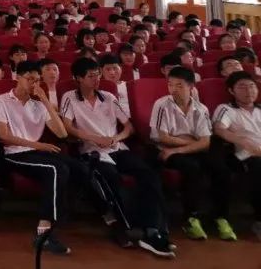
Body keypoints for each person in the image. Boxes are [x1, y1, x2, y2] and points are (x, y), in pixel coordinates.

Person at [59, 58, 173, 257]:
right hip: (92, 152)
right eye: (91, 76)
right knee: (111, 178)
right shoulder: (70, 97)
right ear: (78, 78)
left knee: (148, 174)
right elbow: (68, 127)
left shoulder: (109, 97)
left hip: (117, 147)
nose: (97, 79)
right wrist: (94, 138)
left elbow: (128, 127)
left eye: (98, 75)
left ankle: (154, 229)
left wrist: (116, 138)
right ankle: (125, 226)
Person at [0, 60, 71, 255]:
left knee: (76, 167)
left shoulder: (39, 104)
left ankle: (59, 217)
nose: (34, 84)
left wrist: (45, 100)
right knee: (55, 169)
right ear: (18, 78)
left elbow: (62, 134)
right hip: (14, 153)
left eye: (37, 80)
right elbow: (4, 135)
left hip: (36, 152)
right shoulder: (3, 100)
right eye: (30, 79)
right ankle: (45, 231)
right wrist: (39, 145)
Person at [150, 66, 234, 241]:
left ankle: (220, 216)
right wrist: (192, 142)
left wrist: (179, 147)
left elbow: (206, 142)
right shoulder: (162, 105)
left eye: (179, 85)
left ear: (191, 87)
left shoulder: (201, 108)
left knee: (221, 169)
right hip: (165, 149)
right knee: (192, 168)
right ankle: (191, 217)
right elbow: (164, 137)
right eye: (170, 85)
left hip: (180, 150)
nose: (173, 89)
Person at [210, 70, 261, 241]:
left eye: (252, 86)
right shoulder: (227, 109)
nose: (249, 90)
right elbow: (219, 129)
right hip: (244, 155)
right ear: (231, 91)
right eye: (242, 87)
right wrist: (243, 142)